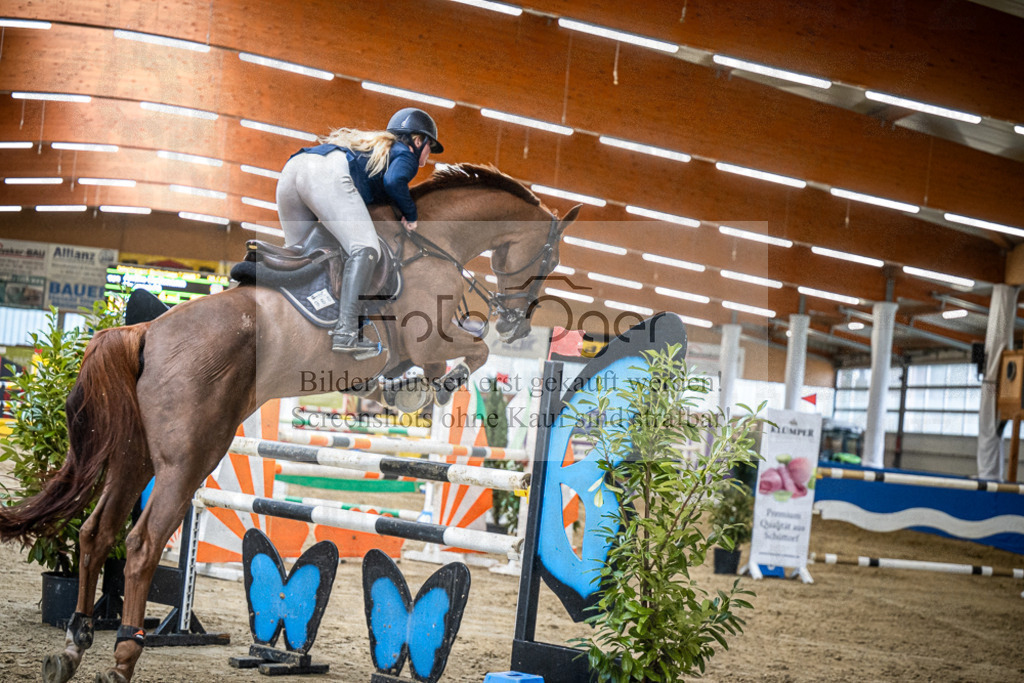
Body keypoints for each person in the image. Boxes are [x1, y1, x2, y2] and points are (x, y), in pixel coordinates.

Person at [275, 107, 444, 353]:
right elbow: (394, 181)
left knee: (300, 255)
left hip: (293, 169)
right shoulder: (405, 155)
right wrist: (412, 214)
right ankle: (346, 331)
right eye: (430, 146)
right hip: (325, 174)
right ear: (418, 141)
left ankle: (288, 317)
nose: (430, 154)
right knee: (366, 249)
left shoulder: (375, 150)